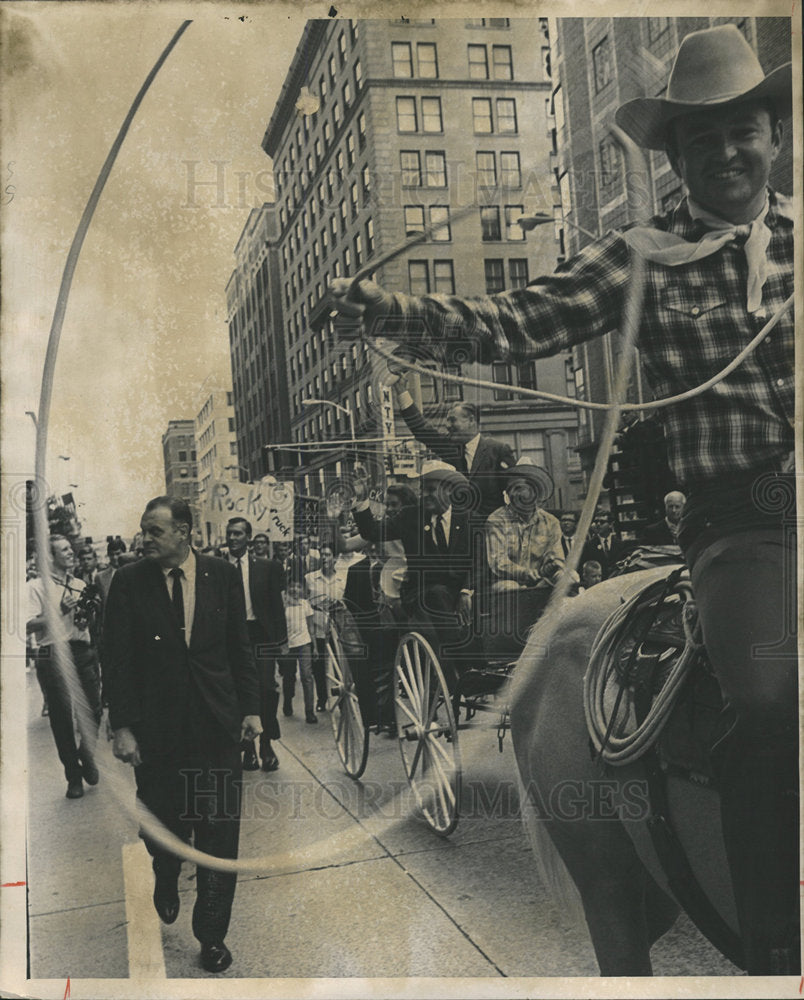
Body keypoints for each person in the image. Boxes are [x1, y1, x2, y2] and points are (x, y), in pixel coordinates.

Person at [328, 24, 796, 975]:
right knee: (769, 692)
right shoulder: (640, 261)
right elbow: (511, 318)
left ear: (772, 135)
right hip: (744, 529)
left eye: (742, 130)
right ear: (675, 157)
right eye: (701, 139)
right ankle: (777, 935)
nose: (728, 153)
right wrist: (387, 313)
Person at [104, 497, 261, 974]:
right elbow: (116, 657)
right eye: (143, 531)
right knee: (164, 821)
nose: (144, 539)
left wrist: (253, 710)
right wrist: (123, 726)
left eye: (154, 531)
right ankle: (165, 870)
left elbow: (240, 645)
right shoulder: (129, 581)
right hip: (158, 730)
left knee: (219, 829)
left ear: (184, 532)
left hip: (215, 723)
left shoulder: (221, 574)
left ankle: (212, 934)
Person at [352, 461, 476, 679]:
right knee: (437, 594)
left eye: (430, 489)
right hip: (422, 592)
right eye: (422, 489)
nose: (424, 494)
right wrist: (362, 497)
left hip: (461, 591)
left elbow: (478, 560)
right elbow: (372, 531)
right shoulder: (409, 516)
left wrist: (466, 591)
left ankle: (482, 665)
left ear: (448, 489)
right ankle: (464, 669)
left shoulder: (466, 517)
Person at [27, 534, 102, 799]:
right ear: (50, 557)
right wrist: (57, 610)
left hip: (82, 650)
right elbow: (28, 624)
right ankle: (73, 776)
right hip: (53, 653)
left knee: (94, 708)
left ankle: (87, 754)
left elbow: (84, 621)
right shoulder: (36, 586)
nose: (72, 553)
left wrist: (86, 616)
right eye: (65, 550)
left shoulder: (80, 583)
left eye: (71, 548)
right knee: (62, 717)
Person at [387, 372, 516, 521]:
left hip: (492, 528)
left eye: (453, 420)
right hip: (459, 531)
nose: (448, 426)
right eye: (447, 421)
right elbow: (421, 429)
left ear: (471, 420)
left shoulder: (497, 450)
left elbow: (514, 489)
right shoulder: (450, 447)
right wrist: (402, 392)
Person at [225, 517, 287, 773]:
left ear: (248, 537)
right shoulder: (217, 568)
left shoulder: (267, 567)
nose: (233, 538)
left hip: (261, 635)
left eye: (238, 533)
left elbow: (277, 608)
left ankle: (266, 744)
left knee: (266, 689)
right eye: (229, 533)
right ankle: (247, 749)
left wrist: (283, 643)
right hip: (232, 639)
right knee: (239, 692)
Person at [485, 460, 564, 592]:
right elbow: (498, 562)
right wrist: (524, 573)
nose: (513, 494)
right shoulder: (496, 520)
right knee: (512, 588)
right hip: (507, 581)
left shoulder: (551, 522)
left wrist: (552, 566)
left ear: (534, 492)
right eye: (510, 489)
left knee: (570, 577)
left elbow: (557, 557)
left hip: (542, 579)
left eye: (519, 488)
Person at [305, 543, 347, 712]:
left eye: (328, 555)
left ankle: (343, 698)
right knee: (319, 666)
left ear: (335, 558)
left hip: (337, 628)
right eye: (322, 555)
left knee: (339, 665)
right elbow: (304, 602)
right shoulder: (310, 578)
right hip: (318, 627)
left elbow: (347, 602)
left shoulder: (343, 579)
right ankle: (322, 699)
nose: (324, 558)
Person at [280, 580, 316, 723]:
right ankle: (288, 700)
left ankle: (309, 711)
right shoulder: (283, 604)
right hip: (288, 645)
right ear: (288, 588)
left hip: (304, 643)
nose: (295, 589)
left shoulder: (305, 604)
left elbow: (311, 627)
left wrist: (315, 647)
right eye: (292, 586)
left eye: (298, 586)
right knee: (289, 677)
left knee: (307, 676)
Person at [581, 510, 628, 579]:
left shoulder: (620, 544)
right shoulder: (589, 546)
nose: (598, 524)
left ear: (610, 524)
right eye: (596, 522)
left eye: (602, 522)